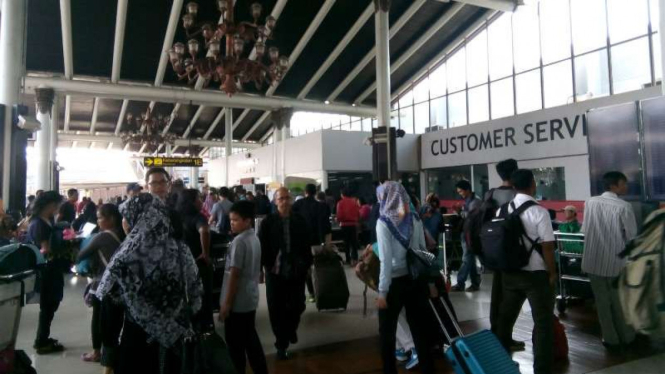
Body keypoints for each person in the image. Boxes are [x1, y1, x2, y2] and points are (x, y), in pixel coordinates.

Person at [96, 191, 203, 374]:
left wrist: (109, 361)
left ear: (136, 219)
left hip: (136, 345)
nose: (124, 221)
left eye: (126, 217)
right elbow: (196, 294)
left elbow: (110, 311)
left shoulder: (125, 257)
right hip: (177, 344)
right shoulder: (180, 249)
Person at [496, 169, 556, 374]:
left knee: (505, 320)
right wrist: (552, 272)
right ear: (533, 184)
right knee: (543, 323)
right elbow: (548, 246)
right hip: (535, 275)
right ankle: (542, 369)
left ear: (513, 186)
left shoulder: (502, 210)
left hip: (510, 274)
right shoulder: (539, 211)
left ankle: (502, 364)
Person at [375, 182, 435, 374]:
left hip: (394, 283)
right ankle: (428, 369)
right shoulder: (414, 218)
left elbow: (385, 260)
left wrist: (382, 292)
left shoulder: (384, 222)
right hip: (416, 280)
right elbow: (422, 251)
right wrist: (431, 281)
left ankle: (389, 370)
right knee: (420, 330)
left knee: (387, 332)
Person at [581, 171, 637, 349]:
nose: (626, 186)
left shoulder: (590, 202)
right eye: (623, 183)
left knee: (602, 302)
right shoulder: (624, 206)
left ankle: (610, 338)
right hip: (615, 262)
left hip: (592, 260)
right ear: (613, 186)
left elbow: (584, 230)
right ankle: (626, 337)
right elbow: (631, 236)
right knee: (619, 301)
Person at [258, 187, 312, 360]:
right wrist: (261, 269)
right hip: (275, 271)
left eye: (287, 198)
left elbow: (306, 244)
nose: (284, 201)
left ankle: (290, 329)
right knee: (276, 308)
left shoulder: (300, 220)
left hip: (297, 270)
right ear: (275, 201)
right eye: (280, 198)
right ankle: (281, 343)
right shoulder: (268, 222)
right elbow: (262, 247)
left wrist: (308, 265)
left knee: (298, 305)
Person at [219, 201, 268, 374]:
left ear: (247, 221)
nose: (231, 223)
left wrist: (227, 303)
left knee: (235, 345)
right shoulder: (254, 237)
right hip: (250, 297)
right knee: (250, 339)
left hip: (238, 301)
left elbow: (234, 275)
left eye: (236, 220)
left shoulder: (239, 242)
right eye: (231, 220)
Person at [76, 204, 125, 364]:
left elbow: (80, 256)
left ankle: (98, 353)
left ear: (111, 219)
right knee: (115, 320)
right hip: (120, 284)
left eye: (100, 218)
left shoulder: (102, 237)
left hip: (103, 283)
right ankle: (112, 352)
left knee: (99, 319)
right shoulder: (124, 233)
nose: (98, 221)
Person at [485, 159, 524, 351]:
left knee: (497, 294)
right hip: (513, 251)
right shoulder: (518, 194)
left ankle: (496, 333)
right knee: (512, 296)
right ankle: (504, 336)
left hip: (494, 249)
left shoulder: (491, 193)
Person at [27, 191, 66, 354]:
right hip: (47, 271)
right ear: (50, 205)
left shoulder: (45, 220)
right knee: (48, 305)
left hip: (50, 269)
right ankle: (41, 341)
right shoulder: (38, 223)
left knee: (49, 306)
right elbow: (45, 250)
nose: (58, 209)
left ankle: (43, 337)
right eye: (57, 205)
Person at [177, 189, 214, 331]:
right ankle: (205, 328)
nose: (201, 202)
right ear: (191, 202)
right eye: (199, 199)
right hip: (198, 264)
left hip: (181, 265)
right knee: (204, 297)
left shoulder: (177, 216)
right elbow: (204, 231)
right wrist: (205, 253)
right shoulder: (198, 217)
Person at [293, 184, 332, 303]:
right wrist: (327, 243)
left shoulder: (298, 205)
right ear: (315, 193)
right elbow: (327, 227)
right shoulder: (322, 206)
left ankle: (311, 293)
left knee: (305, 269)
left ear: (305, 192)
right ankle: (323, 290)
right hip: (318, 242)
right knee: (320, 267)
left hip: (302, 243)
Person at [451, 180, 482, 292]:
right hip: (466, 233)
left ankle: (460, 282)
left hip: (470, 234)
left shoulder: (475, 201)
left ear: (467, 190)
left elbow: (471, 216)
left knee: (466, 258)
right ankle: (475, 282)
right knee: (470, 259)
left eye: (461, 191)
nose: (460, 194)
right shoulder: (469, 201)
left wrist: (459, 211)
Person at [336, 188, 360, 265]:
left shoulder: (340, 203)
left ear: (342, 194)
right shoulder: (355, 202)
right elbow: (358, 214)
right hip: (353, 225)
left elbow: (339, 216)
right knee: (354, 243)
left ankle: (348, 259)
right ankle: (355, 259)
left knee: (346, 243)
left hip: (344, 225)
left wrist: (337, 219)